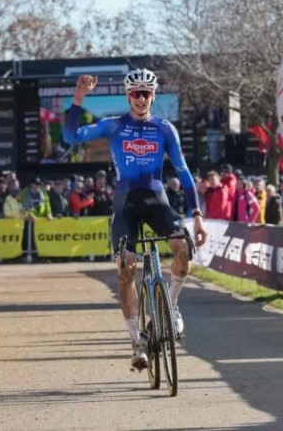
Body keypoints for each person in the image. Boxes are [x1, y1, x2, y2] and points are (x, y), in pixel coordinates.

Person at [63, 70, 207, 371]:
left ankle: (170, 306)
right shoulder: (115, 125)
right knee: (126, 268)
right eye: (135, 93)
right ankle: (137, 341)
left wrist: (197, 215)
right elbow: (70, 137)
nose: (141, 98)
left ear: (153, 96)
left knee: (184, 250)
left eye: (146, 93)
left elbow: (182, 170)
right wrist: (79, 98)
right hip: (126, 202)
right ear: (128, 96)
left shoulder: (164, 128)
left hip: (156, 199)